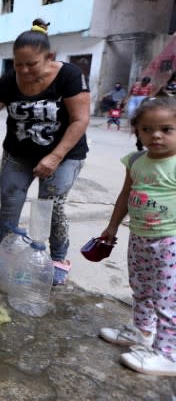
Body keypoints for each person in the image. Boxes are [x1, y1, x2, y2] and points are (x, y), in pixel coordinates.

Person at [0, 22, 90, 285]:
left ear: (49, 57)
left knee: (51, 207)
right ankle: (6, 249)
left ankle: (58, 258)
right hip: (19, 154)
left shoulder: (69, 76)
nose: (24, 71)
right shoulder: (8, 82)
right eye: (18, 64)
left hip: (64, 155)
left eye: (31, 64)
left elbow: (80, 120)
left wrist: (55, 157)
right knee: (10, 199)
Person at [98, 96, 176, 376]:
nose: (156, 135)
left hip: (170, 241)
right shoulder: (135, 160)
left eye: (166, 129)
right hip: (140, 237)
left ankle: (168, 354)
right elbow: (125, 196)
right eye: (147, 129)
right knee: (141, 288)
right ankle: (143, 332)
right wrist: (112, 226)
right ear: (137, 132)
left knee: (167, 298)